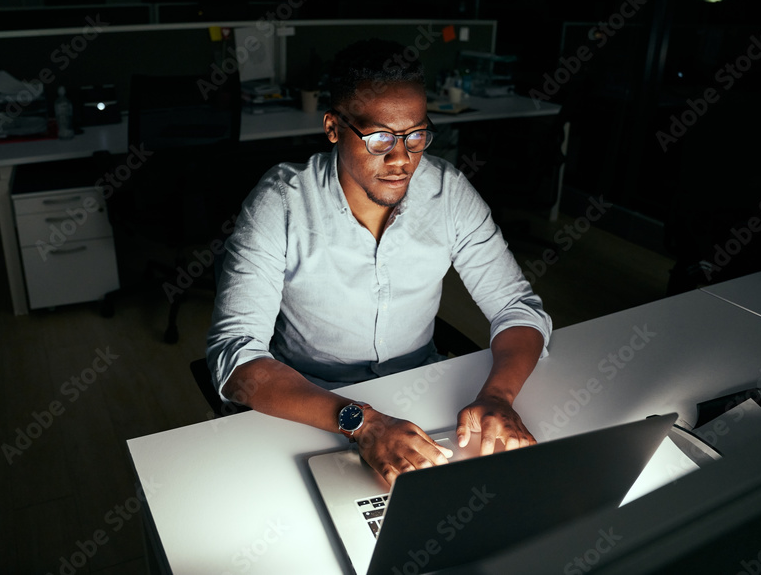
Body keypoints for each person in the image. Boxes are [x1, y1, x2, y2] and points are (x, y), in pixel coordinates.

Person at [206, 38, 552, 486]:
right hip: (313, 402)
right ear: (333, 127)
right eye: (379, 137)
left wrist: (499, 396)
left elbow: (518, 309)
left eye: (416, 136)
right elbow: (234, 359)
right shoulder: (281, 204)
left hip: (423, 394)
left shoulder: (447, 191)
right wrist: (363, 422)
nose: (401, 159)